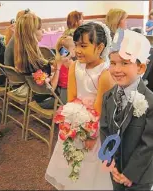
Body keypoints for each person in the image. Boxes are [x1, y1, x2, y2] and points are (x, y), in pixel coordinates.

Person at [45, 22, 115, 190]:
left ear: (99, 47)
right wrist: (69, 123)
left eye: (83, 46)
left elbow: (100, 109)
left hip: (94, 127)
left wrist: (91, 135)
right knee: (69, 161)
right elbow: (71, 99)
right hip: (75, 121)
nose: (77, 50)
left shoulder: (105, 74)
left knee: (88, 168)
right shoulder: (75, 66)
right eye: (76, 45)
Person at [100, 29, 153, 191]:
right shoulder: (108, 96)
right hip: (115, 168)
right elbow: (105, 129)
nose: (116, 69)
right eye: (113, 63)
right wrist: (109, 161)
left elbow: (149, 144)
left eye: (124, 63)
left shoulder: (151, 104)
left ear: (141, 68)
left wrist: (131, 174)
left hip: (139, 175)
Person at [14, 13, 64, 109]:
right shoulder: (33, 62)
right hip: (48, 100)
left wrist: (51, 64)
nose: (43, 31)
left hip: (38, 96)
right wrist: (58, 68)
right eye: (40, 29)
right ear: (31, 33)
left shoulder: (24, 54)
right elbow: (50, 89)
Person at [55, 35, 76, 104]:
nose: (75, 50)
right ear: (65, 51)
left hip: (60, 89)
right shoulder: (71, 63)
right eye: (73, 49)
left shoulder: (58, 60)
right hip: (68, 90)